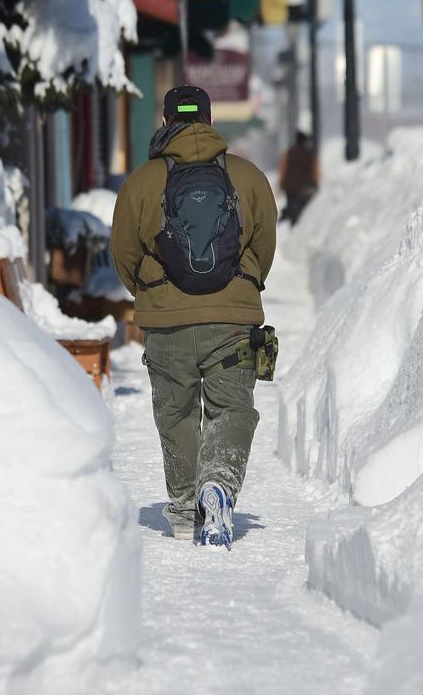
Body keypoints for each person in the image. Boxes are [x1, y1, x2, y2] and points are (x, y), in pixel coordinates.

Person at [110, 86, 278, 549]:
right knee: (232, 410)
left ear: (164, 123)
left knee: (176, 414)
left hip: (166, 324)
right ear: (208, 119)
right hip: (232, 321)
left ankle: (186, 510)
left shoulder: (142, 182)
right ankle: (218, 485)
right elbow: (264, 246)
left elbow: (123, 253)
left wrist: (150, 293)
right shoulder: (247, 177)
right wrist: (242, 285)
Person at [278, 131, 319, 224]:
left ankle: (290, 217)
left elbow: (282, 169)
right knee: (300, 208)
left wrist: (281, 183)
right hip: (304, 187)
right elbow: (315, 170)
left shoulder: (289, 152)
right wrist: (315, 183)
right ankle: (294, 221)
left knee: (291, 205)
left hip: (290, 186)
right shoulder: (310, 154)